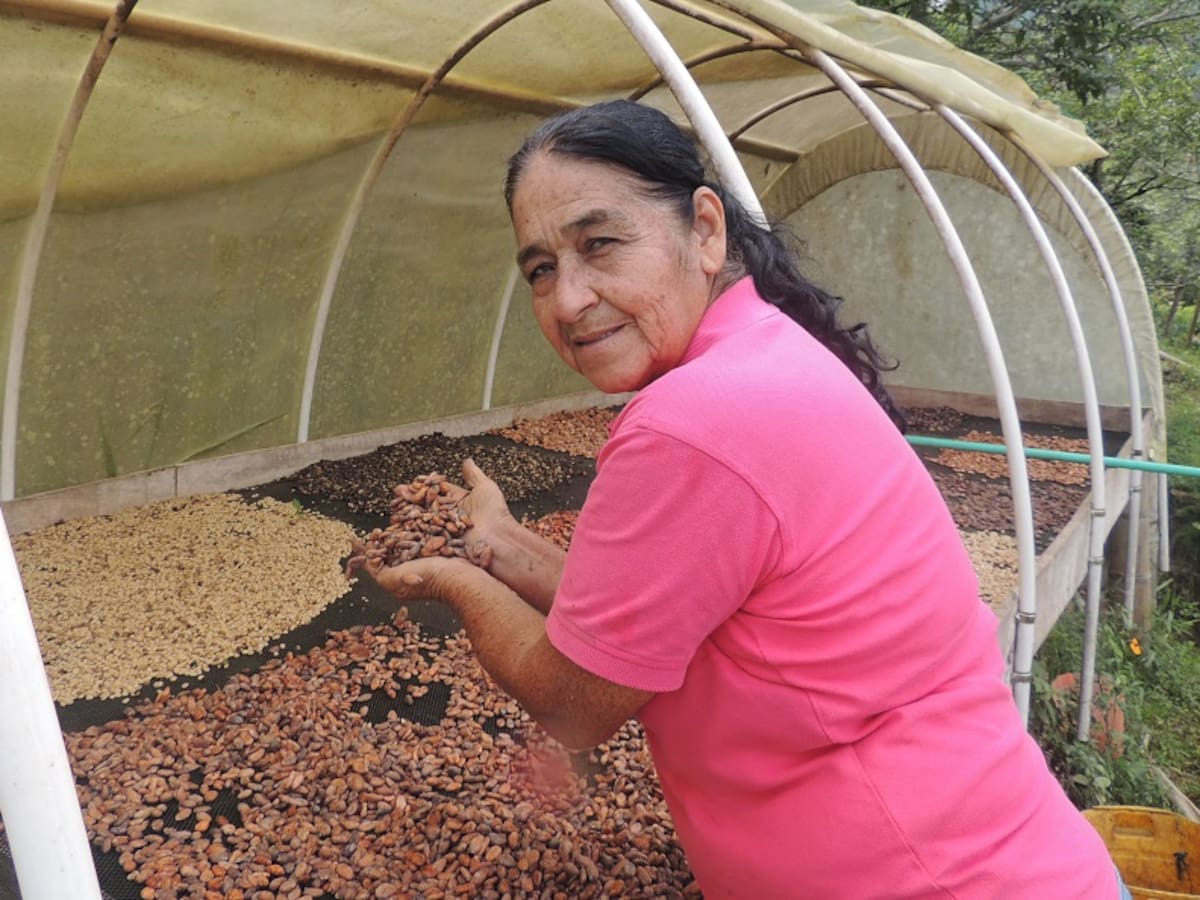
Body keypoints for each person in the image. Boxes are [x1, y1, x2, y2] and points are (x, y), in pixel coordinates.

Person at [365, 100, 1128, 898]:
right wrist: (498, 542)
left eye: (599, 244)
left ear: (704, 228)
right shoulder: (762, 350)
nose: (565, 300)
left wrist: (450, 578)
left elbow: (574, 702)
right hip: (1009, 849)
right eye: (541, 269)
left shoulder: (692, 422)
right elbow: (646, 614)